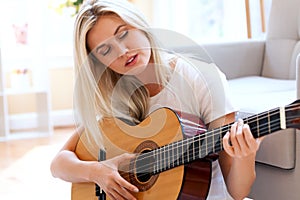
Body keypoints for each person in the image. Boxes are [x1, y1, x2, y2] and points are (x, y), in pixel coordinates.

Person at [50, 0, 263, 199]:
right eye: (105, 50)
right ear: (99, 63)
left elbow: (237, 192)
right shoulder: (115, 98)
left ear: (140, 25)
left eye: (123, 34)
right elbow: (58, 164)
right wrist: (96, 172)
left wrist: (246, 154)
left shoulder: (202, 78)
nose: (123, 52)